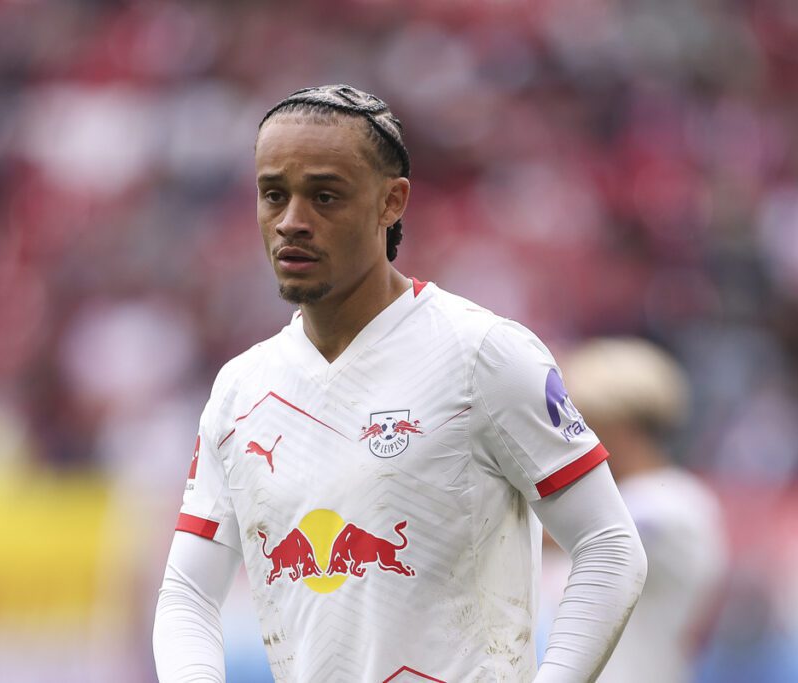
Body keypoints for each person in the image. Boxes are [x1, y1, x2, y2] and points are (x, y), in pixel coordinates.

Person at [153, 84, 647, 683]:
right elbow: (186, 591)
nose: (292, 222)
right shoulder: (241, 389)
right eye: (273, 195)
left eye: (325, 196)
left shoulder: (484, 354)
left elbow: (609, 547)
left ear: (392, 202)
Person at [561, 338, 728, 683]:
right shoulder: (645, 499)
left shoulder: (673, 503)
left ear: (622, 427)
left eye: (585, 423)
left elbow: (583, 533)